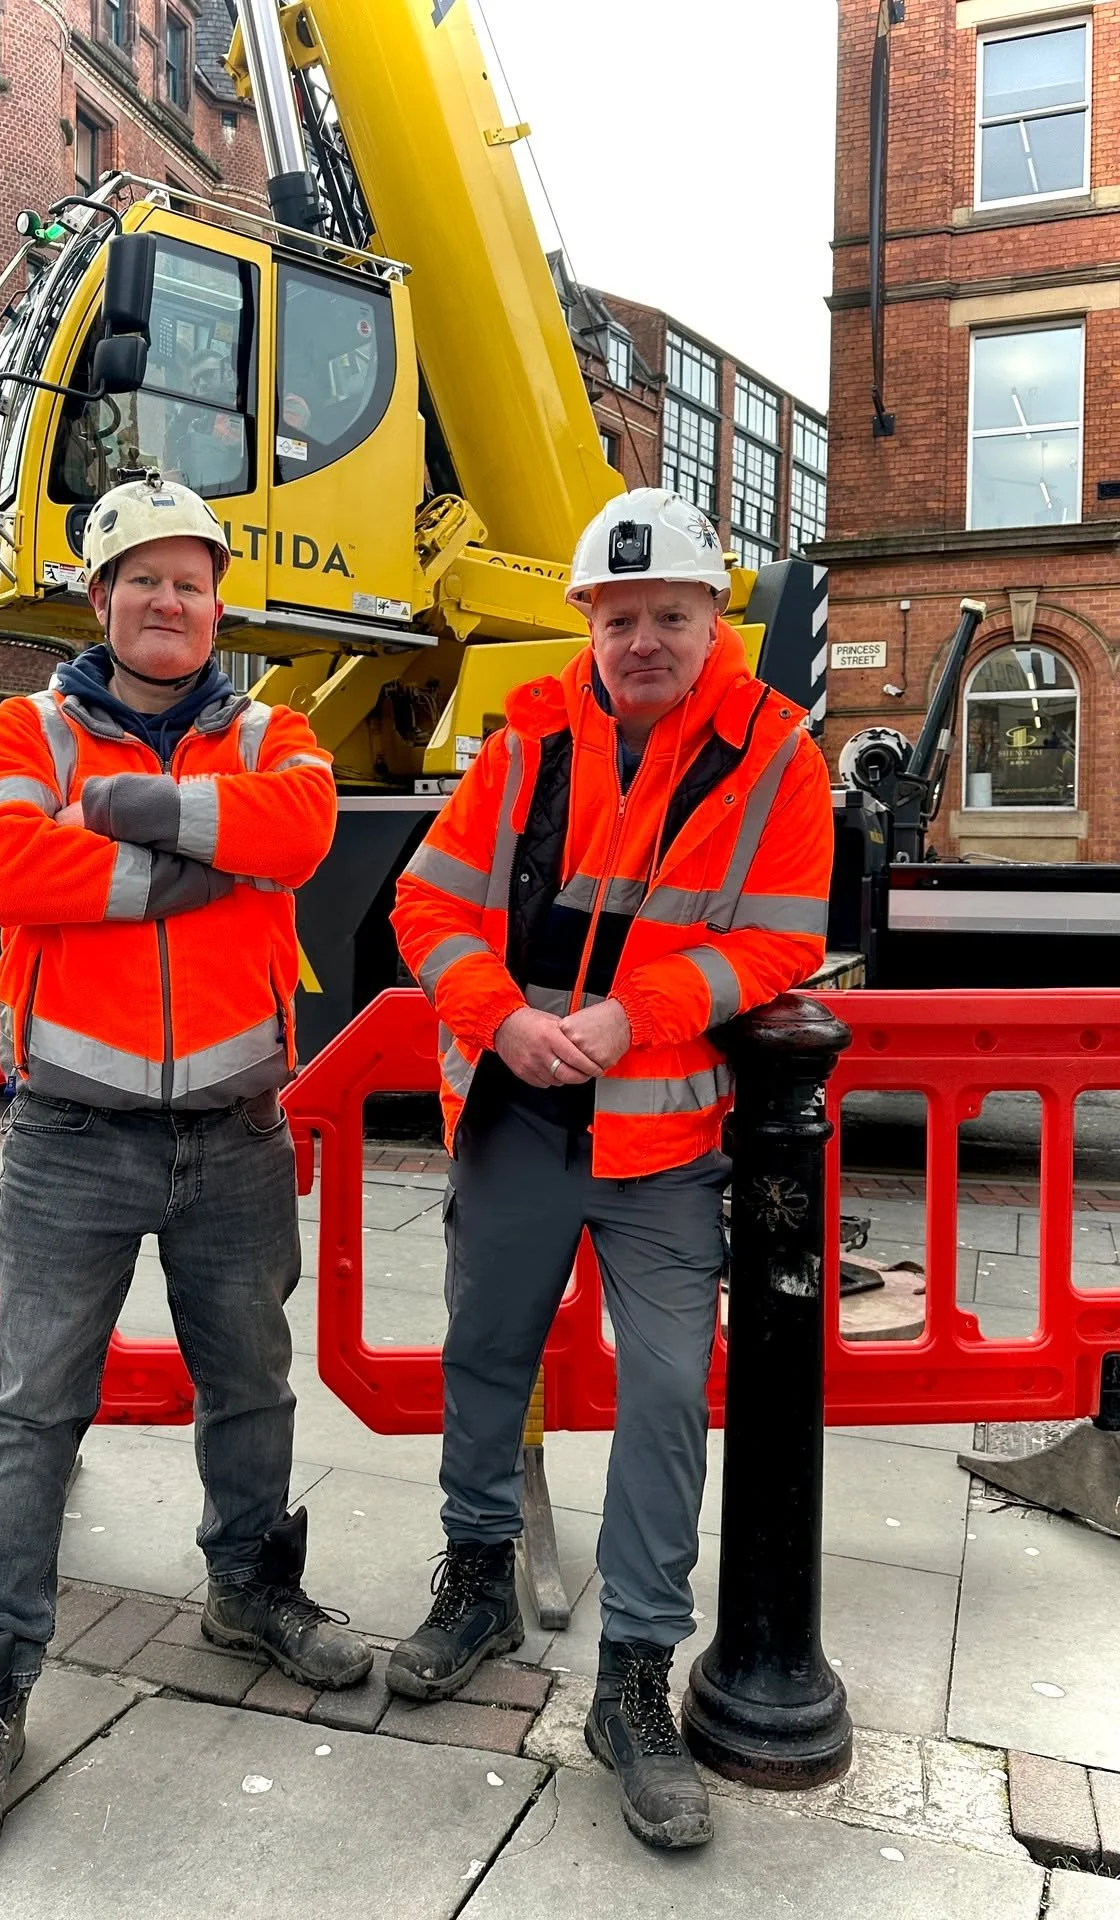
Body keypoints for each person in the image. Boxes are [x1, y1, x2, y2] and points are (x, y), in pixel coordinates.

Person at [0, 480, 370, 1869]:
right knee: (27, 1413)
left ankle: (249, 1590)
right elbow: (5, 867)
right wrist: (189, 855)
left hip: (233, 1129)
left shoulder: (276, 729)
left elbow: (297, 835)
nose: (169, 603)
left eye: (192, 581)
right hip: (71, 1132)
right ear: (98, 595)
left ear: (219, 600)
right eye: (142, 579)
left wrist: (119, 810)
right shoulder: (19, 727)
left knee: (252, 1385)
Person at [388, 489, 834, 1853]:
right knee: (484, 1359)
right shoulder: (525, 737)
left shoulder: (776, 757)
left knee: (661, 1404)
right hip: (521, 1117)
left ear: (716, 624)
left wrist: (627, 1016)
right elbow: (426, 902)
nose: (642, 641)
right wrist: (505, 1022)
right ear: (586, 621)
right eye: (620, 617)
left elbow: (778, 942)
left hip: (660, 1141)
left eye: (670, 619)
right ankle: (476, 1583)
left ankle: (633, 1676)